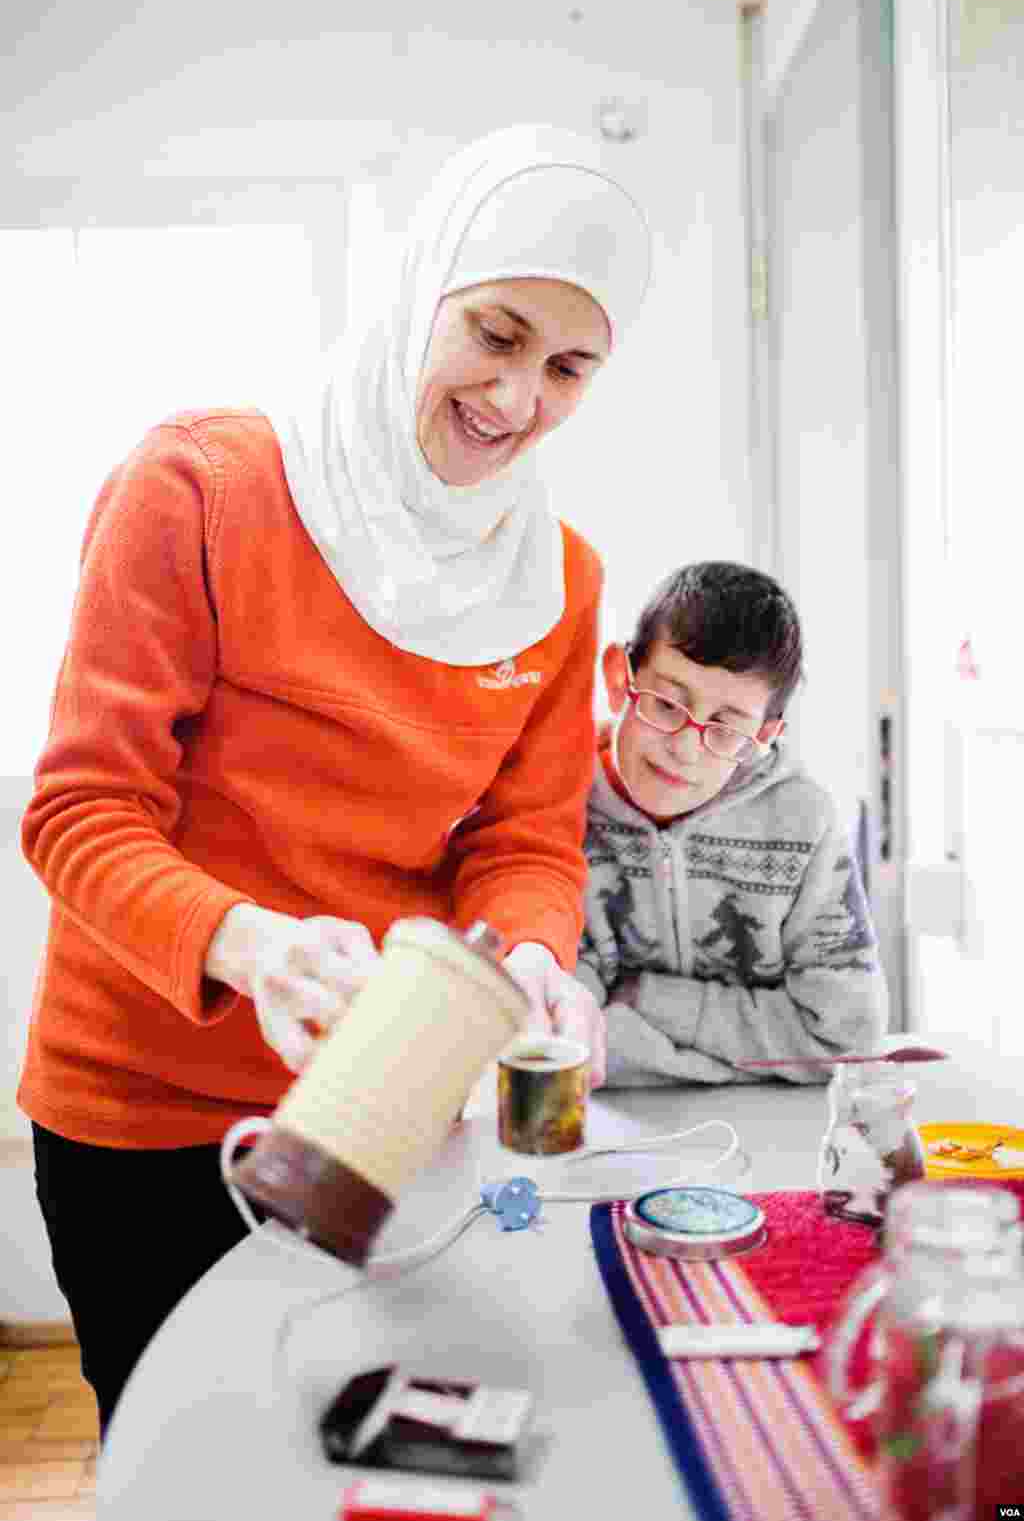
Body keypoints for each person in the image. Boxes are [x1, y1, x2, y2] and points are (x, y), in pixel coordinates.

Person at [19, 124, 652, 1437]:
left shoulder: (559, 579)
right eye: (493, 333)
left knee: (352, 1449)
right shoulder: (197, 486)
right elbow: (79, 810)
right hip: (142, 1118)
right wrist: (252, 947)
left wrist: (536, 958)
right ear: (423, 290)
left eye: (570, 367)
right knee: (181, 1455)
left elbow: (528, 845)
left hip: (387, 1114)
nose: (517, 397)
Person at [575, 561, 887, 1086]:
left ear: (764, 735)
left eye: (725, 728)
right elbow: (557, 1031)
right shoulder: (559, 799)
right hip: (605, 1119)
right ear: (618, 679)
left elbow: (846, 1038)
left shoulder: (800, 823)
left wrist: (646, 1000)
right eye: (667, 704)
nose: (684, 747)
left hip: (774, 1127)